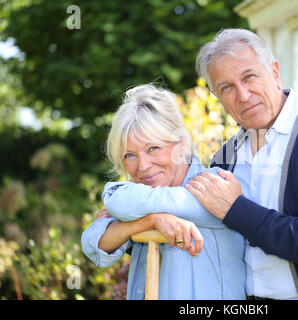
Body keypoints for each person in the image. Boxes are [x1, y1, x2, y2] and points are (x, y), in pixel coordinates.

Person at [186, 28, 298, 300]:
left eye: (249, 76)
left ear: (274, 72)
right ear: (219, 99)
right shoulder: (226, 157)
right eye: (227, 88)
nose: (244, 95)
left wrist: (236, 209)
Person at [81, 84, 246, 300]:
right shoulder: (142, 206)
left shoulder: (213, 186)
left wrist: (130, 221)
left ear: (180, 144)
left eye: (153, 148)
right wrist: (150, 221)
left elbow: (117, 200)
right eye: (129, 155)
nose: (143, 166)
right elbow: (92, 243)